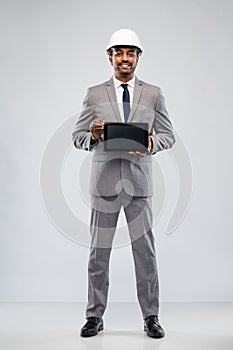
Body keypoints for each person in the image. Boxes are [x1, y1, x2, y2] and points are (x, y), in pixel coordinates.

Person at [72, 28, 175, 338]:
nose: (125, 58)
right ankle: (94, 316)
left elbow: (168, 135)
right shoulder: (94, 93)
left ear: (138, 57)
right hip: (104, 184)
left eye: (131, 53)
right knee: (98, 253)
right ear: (110, 57)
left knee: (145, 253)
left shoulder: (154, 93)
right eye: (119, 53)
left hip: (140, 184)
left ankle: (151, 316)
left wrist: (149, 142)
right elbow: (77, 138)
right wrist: (91, 135)